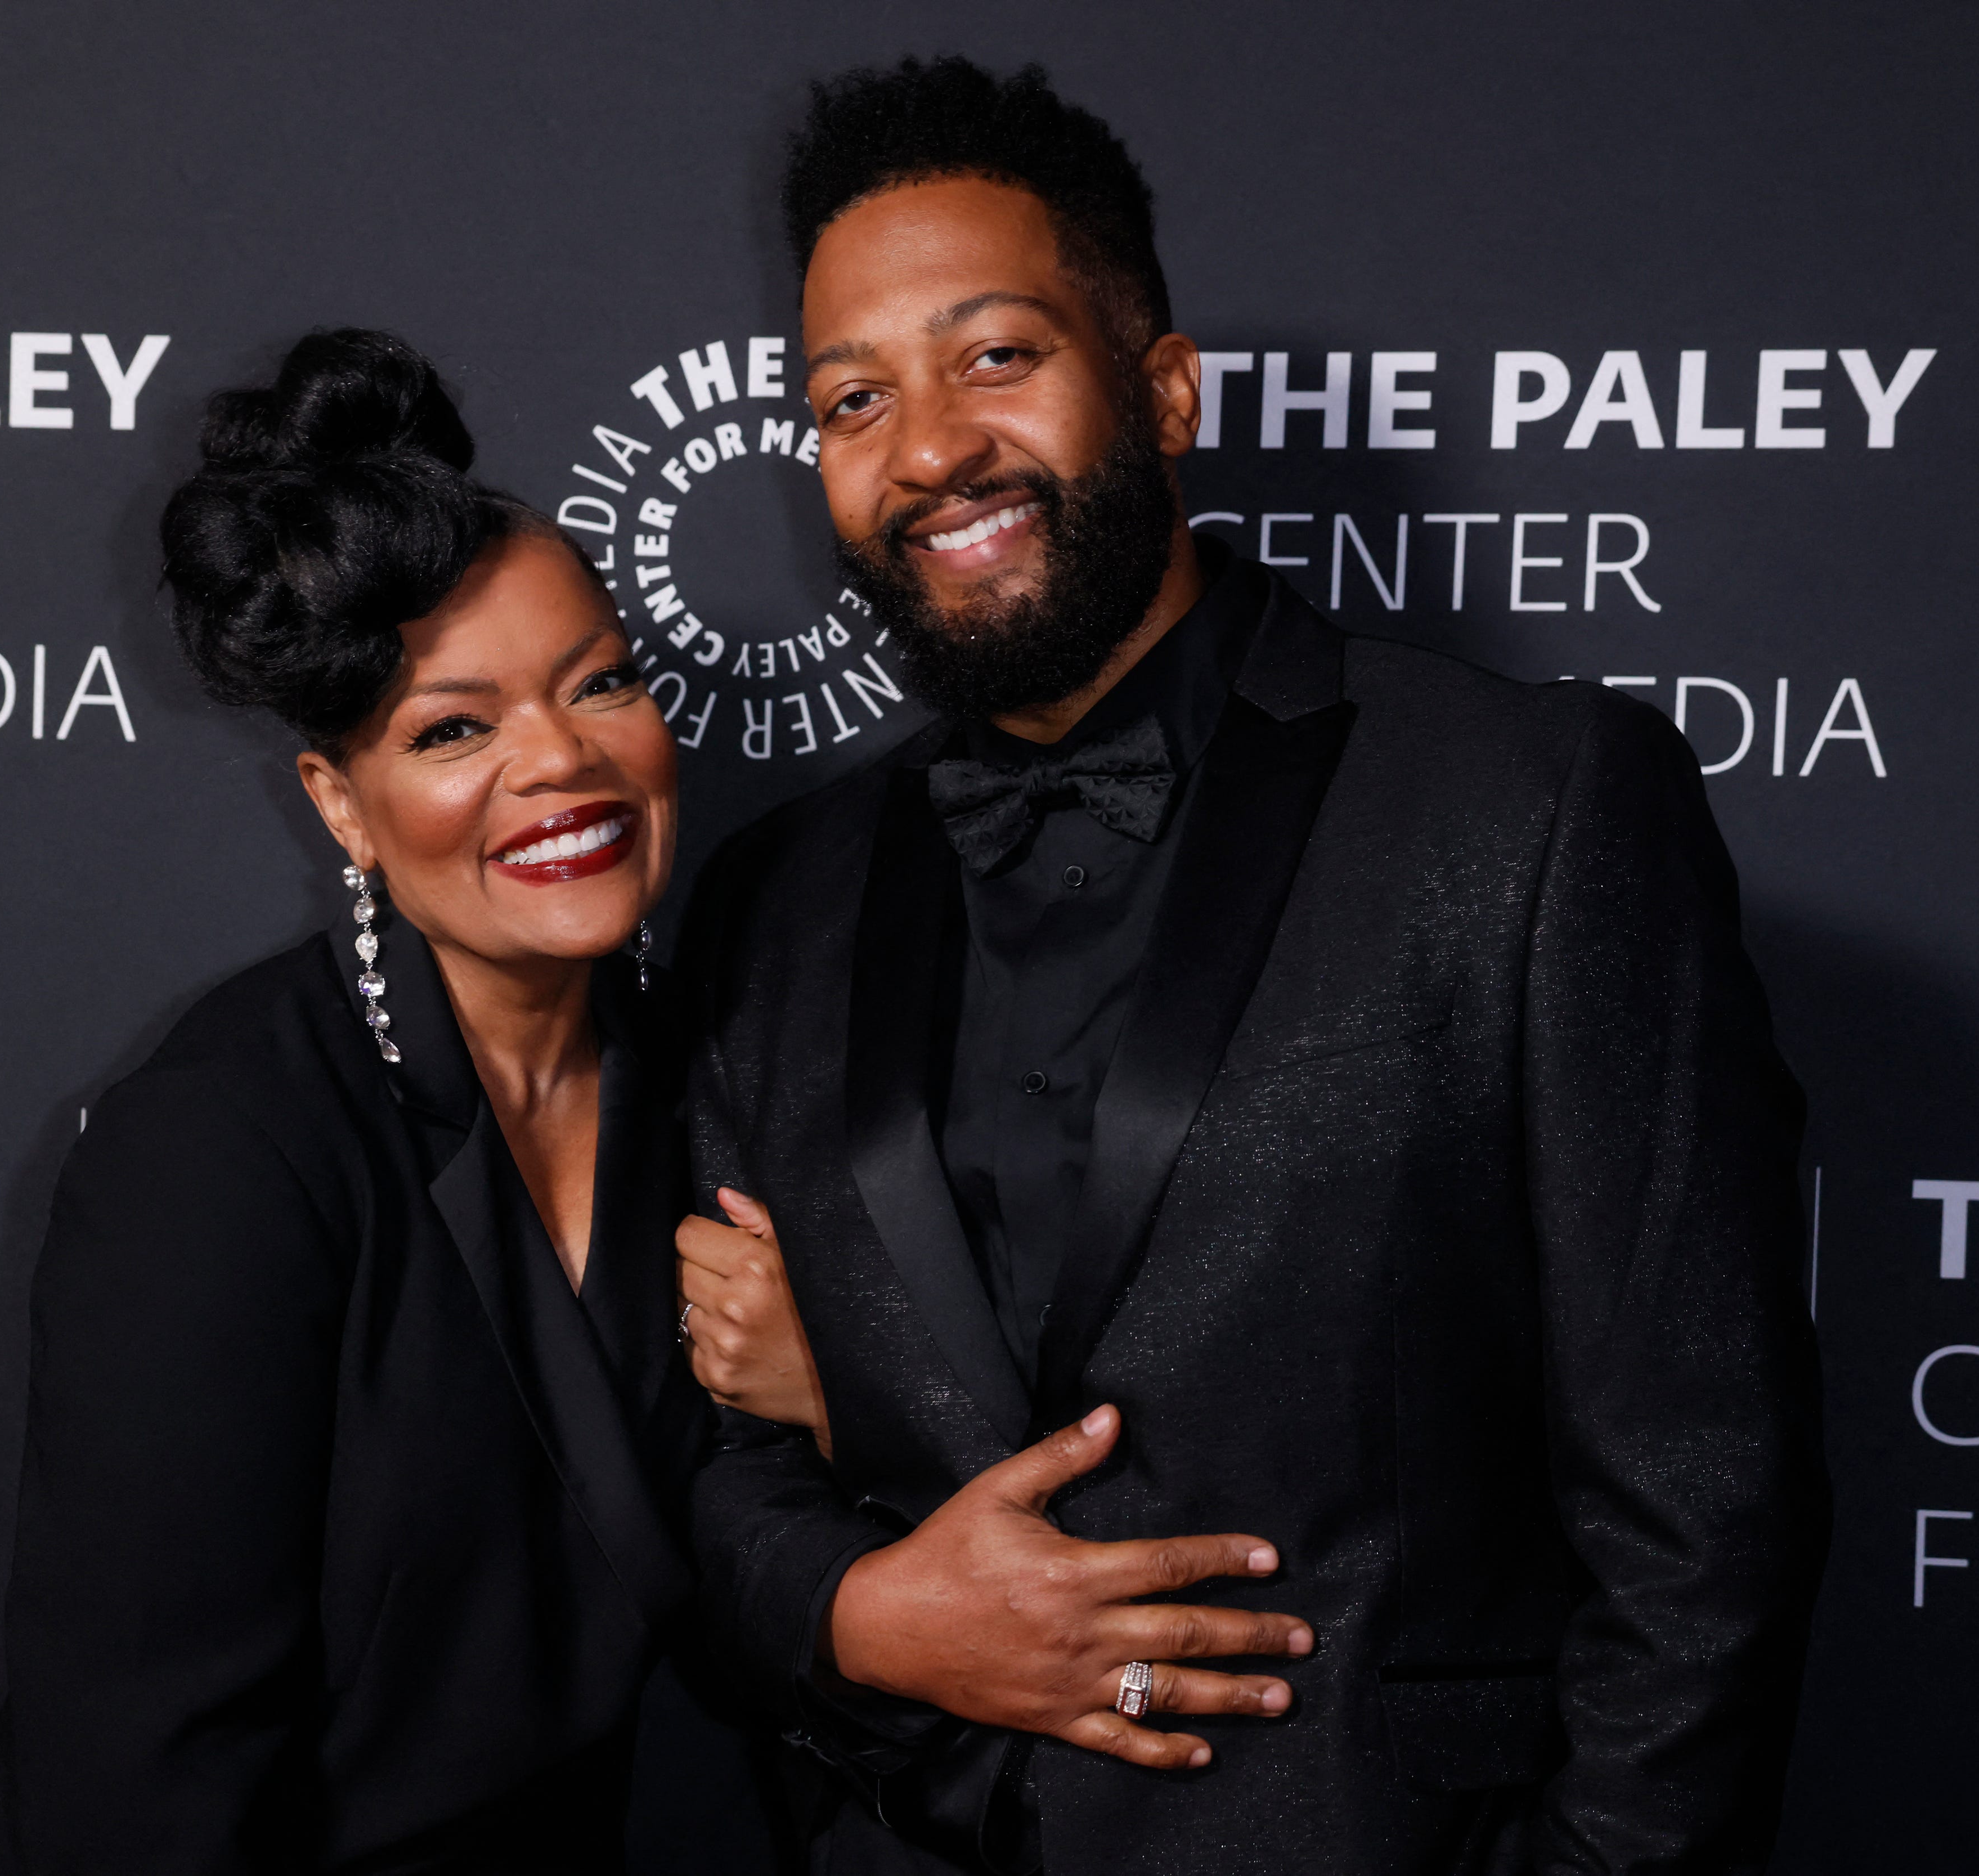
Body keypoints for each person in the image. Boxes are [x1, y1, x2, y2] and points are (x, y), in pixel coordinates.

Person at [674, 59, 1830, 1876]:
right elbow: (734, 1471)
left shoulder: (1528, 814)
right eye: (850, 400)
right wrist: (861, 1617)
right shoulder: (774, 898)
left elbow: (1705, 1516)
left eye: (996, 357)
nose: (927, 452)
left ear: (1162, 387)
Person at [0, 329, 789, 1875]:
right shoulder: (217, 1155)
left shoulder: (744, 1081)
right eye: (455, 729)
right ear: (342, 805)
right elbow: (146, 1788)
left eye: (604, 683)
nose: (563, 762)